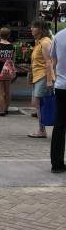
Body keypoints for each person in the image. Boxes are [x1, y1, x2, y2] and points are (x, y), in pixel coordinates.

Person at [28, 19, 54, 138]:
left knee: (39, 103)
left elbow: (49, 62)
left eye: (34, 27)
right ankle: (41, 128)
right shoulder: (38, 42)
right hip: (38, 76)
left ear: (41, 29)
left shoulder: (45, 42)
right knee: (37, 103)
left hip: (43, 76)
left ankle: (42, 130)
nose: (31, 29)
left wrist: (49, 80)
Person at [50, 27, 66, 173]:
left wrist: (52, 80)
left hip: (62, 86)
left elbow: (53, 61)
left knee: (59, 125)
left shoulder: (58, 36)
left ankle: (57, 163)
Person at [0, 27, 15, 116]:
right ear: (9, 35)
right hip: (8, 71)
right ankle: (6, 108)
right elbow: (13, 60)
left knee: (0, 92)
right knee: (8, 91)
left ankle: (1, 110)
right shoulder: (12, 46)